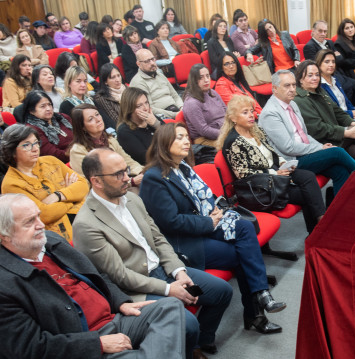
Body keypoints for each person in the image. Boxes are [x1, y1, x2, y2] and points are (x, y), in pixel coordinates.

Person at [74, 149, 233, 358]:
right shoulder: (86, 224)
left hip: (163, 270)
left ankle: (197, 344)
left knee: (222, 292)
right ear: (97, 181)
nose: (127, 178)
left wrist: (178, 271)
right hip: (135, 287)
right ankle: (187, 345)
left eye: (126, 171)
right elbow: (119, 275)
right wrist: (168, 289)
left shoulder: (131, 199)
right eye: (118, 174)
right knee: (187, 323)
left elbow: (158, 239)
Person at [139, 122, 287, 335]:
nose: (186, 141)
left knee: (244, 228)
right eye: (179, 137)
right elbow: (170, 222)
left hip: (204, 224)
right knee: (241, 253)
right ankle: (255, 312)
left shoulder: (183, 167)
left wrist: (215, 214)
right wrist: (209, 222)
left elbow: (205, 199)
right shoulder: (154, 178)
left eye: (186, 136)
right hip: (183, 242)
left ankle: (262, 295)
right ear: (164, 143)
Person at [0, 194, 187, 359]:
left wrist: (121, 301)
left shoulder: (51, 241)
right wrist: (98, 344)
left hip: (113, 319)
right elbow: (29, 348)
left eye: (38, 216)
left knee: (169, 306)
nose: (41, 225)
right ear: (4, 236)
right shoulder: (5, 283)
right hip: (83, 338)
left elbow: (96, 275)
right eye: (29, 222)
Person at [219, 95, 326, 232]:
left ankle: (319, 223)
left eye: (252, 111)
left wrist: (282, 163)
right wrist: (275, 173)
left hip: (275, 174)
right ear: (233, 118)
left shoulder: (255, 130)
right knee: (306, 193)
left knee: (308, 176)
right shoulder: (233, 142)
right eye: (245, 112)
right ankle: (318, 228)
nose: (251, 115)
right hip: (261, 187)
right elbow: (244, 175)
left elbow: (272, 152)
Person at [259, 70, 355, 195]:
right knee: (337, 152)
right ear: (275, 88)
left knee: (340, 171)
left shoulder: (293, 104)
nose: (292, 89)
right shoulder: (270, 113)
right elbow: (288, 147)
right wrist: (318, 149)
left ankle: (338, 211)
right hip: (291, 160)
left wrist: (320, 146)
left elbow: (304, 135)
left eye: (294, 85)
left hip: (304, 152)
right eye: (287, 85)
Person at [1, 125, 87, 241]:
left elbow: (83, 185)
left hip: (85, 218)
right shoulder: (11, 184)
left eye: (36, 143)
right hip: (58, 236)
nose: (35, 148)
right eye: (27, 145)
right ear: (12, 152)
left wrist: (58, 196)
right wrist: (72, 197)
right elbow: (44, 215)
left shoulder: (51, 161)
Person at [294, 60, 355, 163]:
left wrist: (353, 123)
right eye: (310, 75)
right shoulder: (299, 99)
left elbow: (337, 111)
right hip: (322, 142)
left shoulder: (319, 91)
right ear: (300, 79)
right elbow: (318, 128)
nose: (315, 78)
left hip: (334, 135)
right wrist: (347, 133)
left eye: (317, 75)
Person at [69, 104, 140, 180]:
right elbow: (89, 181)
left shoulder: (110, 139)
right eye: (91, 119)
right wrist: (131, 182)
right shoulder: (78, 151)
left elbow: (128, 161)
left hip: (125, 180)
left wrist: (142, 172)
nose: (98, 120)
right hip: (108, 189)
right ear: (83, 127)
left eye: (97, 115)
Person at [303, 20, 355, 106]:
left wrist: (330, 60)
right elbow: (316, 66)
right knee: (348, 88)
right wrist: (335, 57)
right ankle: (342, 111)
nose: (323, 33)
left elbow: (341, 60)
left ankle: (346, 108)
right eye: (320, 31)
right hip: (326, 76)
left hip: (338, 72)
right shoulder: (309, 46)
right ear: (313, 31)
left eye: (325, 31)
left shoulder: (329, 43)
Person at [129, 49, 183, 119]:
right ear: (139, 64)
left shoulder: (159, 75)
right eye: (147, 61)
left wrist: (182, 107)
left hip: (175, 109)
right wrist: (175, 115)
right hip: (161, 116)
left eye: (152, 59)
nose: (152, 63)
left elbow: (175, 95)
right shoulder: (138, 82)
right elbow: (150, 109)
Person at [22, 91, 74, 162]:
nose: (48, 109)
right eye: (43, 106)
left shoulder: (63, 118)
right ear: (31, 111)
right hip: (59, 164)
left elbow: (80, 137)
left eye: (49, 105)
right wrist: (77, 153)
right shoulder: (32, 130)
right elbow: (53, 155)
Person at [116, 86, 163, 165]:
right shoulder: (124, 131)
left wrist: (156, 124)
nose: (145, 108)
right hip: (154, 167)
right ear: (129, 109)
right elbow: (145, 158)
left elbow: (173, 136)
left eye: (146, 103)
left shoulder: (151, 118)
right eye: (139, 106)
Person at [182, 64, 226, 147]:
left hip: (224, 131)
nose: (206, 80)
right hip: (205, 140)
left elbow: (227, 112)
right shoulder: (191, 103)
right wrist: (227, 134)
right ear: (194, 80)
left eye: (207, 76)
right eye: (201, 78)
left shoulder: (213, 92)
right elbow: (204, 130)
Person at [93, 63, 125, 131]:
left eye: (118, 75)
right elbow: (117, 119)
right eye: (113, 77)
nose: (117, 79)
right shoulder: (101, 98)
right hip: (124, 128)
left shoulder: (127, 89)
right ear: (105, 82)